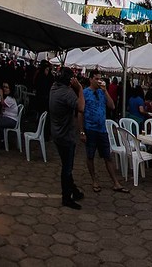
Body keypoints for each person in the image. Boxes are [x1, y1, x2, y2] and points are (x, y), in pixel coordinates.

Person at [79, 71, 128, 194]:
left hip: (102, 129)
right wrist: (81, 131)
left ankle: (115, 182)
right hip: (90, 129)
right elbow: (80, 113)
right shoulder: (85, 93)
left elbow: (111, 106)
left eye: (100, 79)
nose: (99, 81)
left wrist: (105, 91)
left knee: (107, 156)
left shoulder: (102, 92)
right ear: (90, 79)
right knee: (90, 155)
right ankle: (94, 180)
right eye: (96, 79)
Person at [49, 67, 86, 209]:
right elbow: (81, 107)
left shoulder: (54, 88)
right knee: (67, 168)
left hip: (57, 133)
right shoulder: (66, 93)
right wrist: (80, 88)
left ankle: (74, 191)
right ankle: (66, 197)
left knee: (66, 164)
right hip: (66, 136)